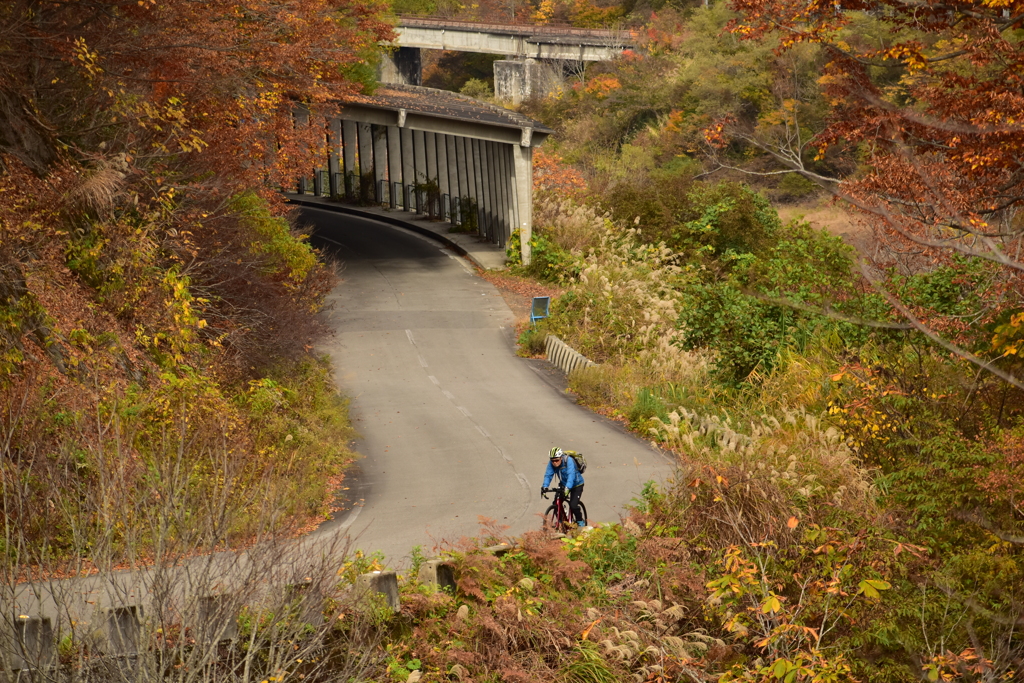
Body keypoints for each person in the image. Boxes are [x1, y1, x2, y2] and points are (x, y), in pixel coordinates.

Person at [542, 447, 586, 528]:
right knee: (556, 503)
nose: (554, 462)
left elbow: (571, 475)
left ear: (561, 457)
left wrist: (568, 488)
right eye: (552, 460)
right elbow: (548, 475)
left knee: (573, 505)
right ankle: (562, 521)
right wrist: (545, 487)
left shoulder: (569, 460)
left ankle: (580, 521)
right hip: (564, 483)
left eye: (557, 460)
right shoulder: (551, 463)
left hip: (577, 484)